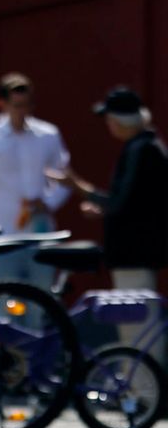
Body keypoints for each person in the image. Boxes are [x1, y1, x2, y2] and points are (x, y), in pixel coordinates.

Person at [52, 87, 168, 357]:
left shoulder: (141, 150)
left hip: (134, 252)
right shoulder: (148, 147)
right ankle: (142, 392)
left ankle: (143, 395)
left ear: (119, 121)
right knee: (138, 323)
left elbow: (120, 202)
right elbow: (133, 203)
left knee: (136, 326)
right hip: (139, 250)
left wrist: (78, 186)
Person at [0, 73, 72, 287]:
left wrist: (49, 203)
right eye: (17, 105)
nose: (23, 112)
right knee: (6, 303)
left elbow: (65, 178)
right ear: (2, 104)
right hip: (3, 237)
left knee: (40, 302)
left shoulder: (47, 135)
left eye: (27, 105)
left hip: (40, 236)